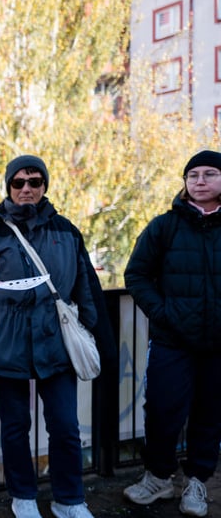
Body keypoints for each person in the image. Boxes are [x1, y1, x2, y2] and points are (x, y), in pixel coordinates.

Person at [0, 155, 115, 518]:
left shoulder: (66, 230)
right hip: (9, 345)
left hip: (56, 343)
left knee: (65, 427)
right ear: (9, 187)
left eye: (35, 181)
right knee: (15, 428)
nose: (27, 188)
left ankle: (69, 500)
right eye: (19, 182)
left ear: (45, 185)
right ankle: (23, 497)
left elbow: (86, 288)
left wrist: (102, 342)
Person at [122, 150, 221, 517]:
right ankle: (159, 477)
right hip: (172, 341)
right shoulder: (165, 226)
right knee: (162, 411)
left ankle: (197, 482)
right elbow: (136, 275)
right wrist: (163, 314)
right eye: (193, 175)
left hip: (217, 345)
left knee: (209, 415)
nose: (200, 181)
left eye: (209, 174)